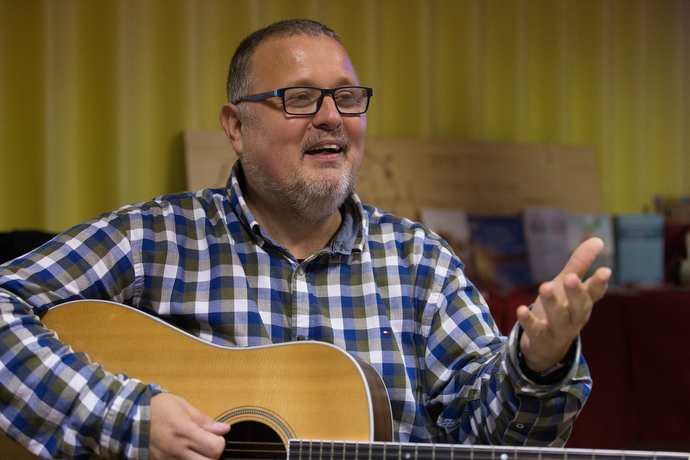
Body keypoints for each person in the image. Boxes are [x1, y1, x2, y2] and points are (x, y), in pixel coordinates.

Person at [0, 19, 611, 460]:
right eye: (299, 99)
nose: (331, 118)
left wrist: (538, 362)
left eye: (347, 99)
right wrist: (128, 419)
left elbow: (495, 442)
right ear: (236, 126)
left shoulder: (422, 265)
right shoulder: (155, 239)